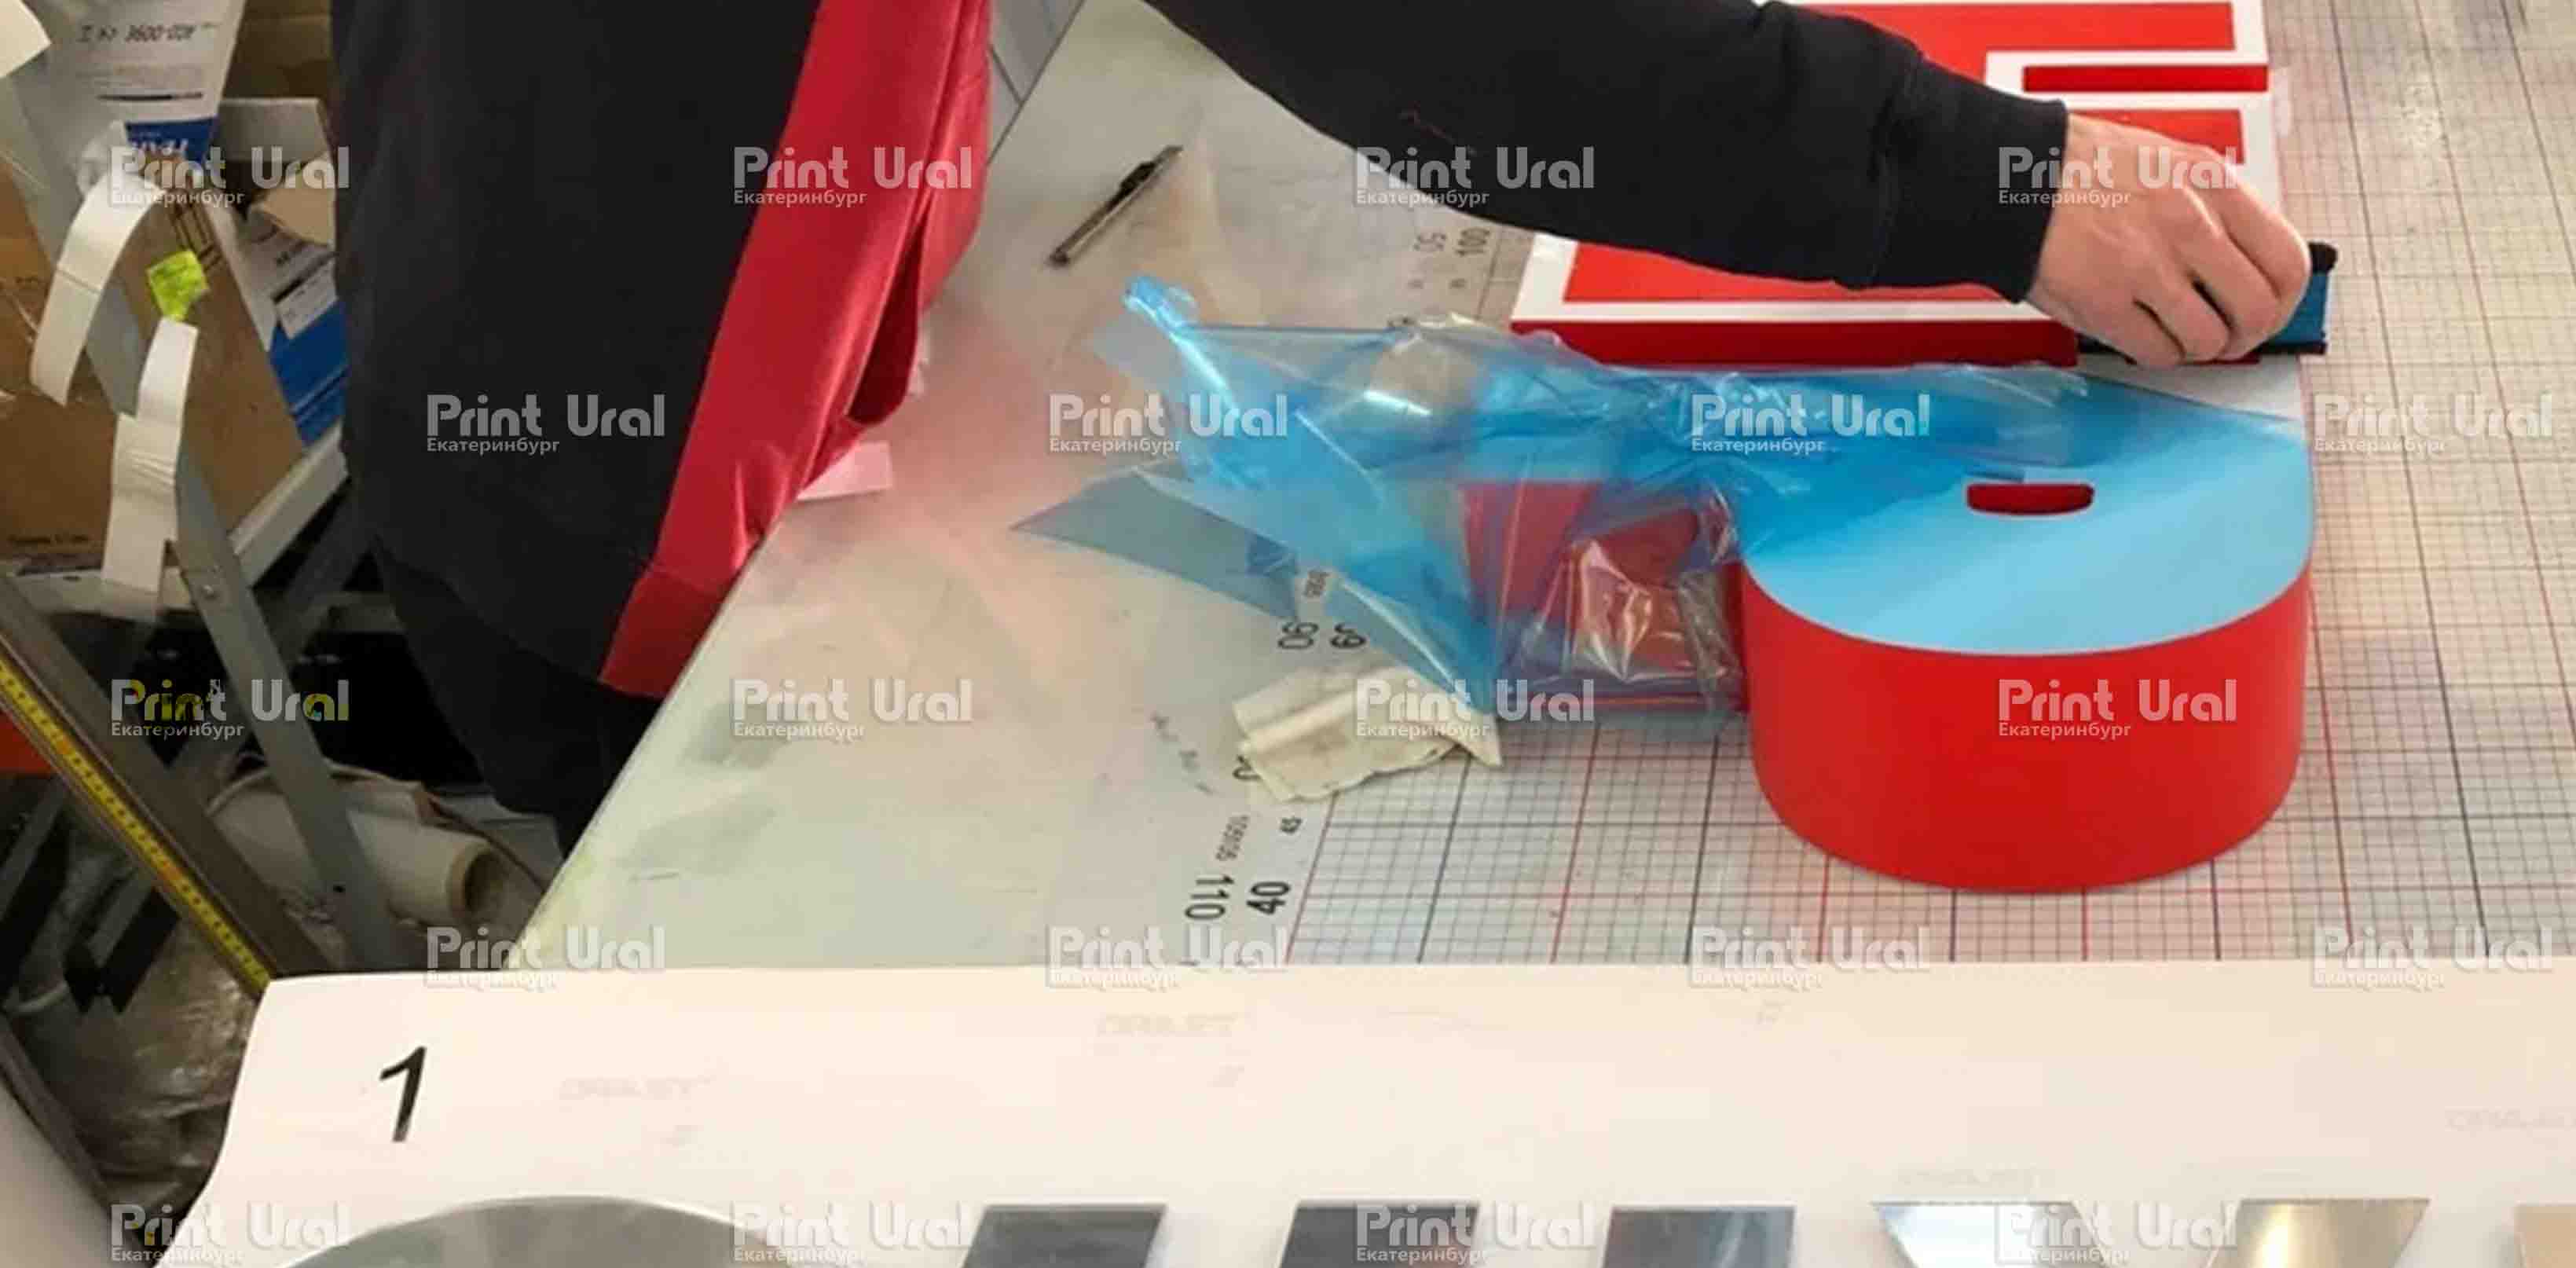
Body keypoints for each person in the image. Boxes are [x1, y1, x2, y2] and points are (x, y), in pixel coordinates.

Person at [330, 0, 2311, 846]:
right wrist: (1991, 181)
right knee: (847, 1151)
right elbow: (1466, 46)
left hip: (686, 302)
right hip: (638, 511)